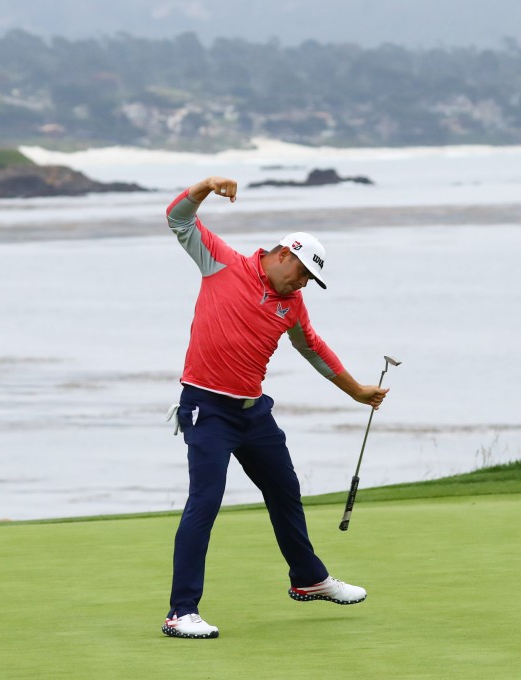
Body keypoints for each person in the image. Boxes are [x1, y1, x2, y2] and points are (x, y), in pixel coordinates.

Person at [161, 176, 389, 640]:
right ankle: (181, 611)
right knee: (205, 501)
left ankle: (308, 578)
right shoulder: (221, 262)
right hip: (207, 406)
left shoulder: (292, 304)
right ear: (284, 254)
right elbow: (177, 218)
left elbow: (314, 348)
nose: (303, 283)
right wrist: (205, 186)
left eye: (309, 279)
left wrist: (355, 391)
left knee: (285, 490)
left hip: (253, 413)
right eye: (302, 272)